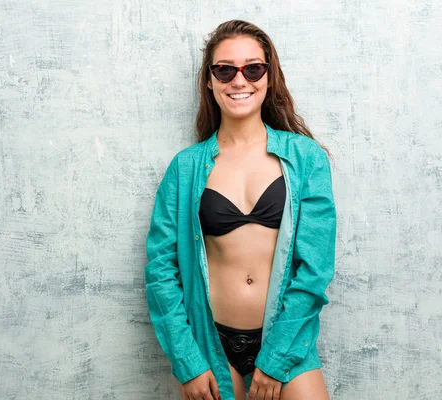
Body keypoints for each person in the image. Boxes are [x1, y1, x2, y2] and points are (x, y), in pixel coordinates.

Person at [144, 19, 336, 400]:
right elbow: (161, 272)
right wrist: (188, 363)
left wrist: (276, 358)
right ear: (210, 81)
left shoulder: (306, 158)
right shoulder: (185, 168)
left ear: (269, 76)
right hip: (210, 349)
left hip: (288, 343)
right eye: (225, 70)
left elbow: (314, 270)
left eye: (253, 68)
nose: (239, 80)